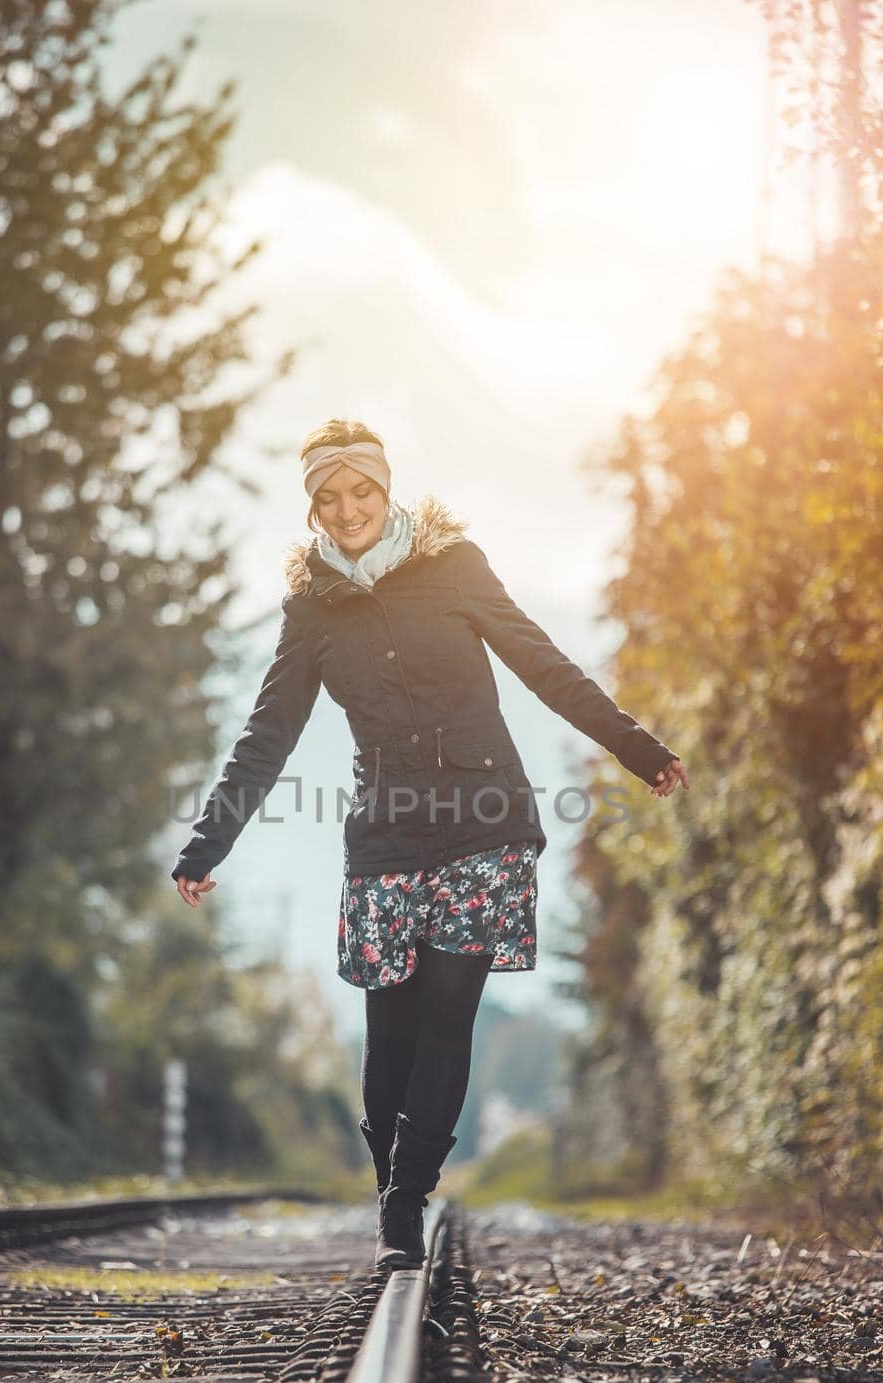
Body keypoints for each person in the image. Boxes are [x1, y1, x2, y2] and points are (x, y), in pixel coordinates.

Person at [173, 418, 690, 1270]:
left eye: (361, 492)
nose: (348, 511)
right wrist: (207, 843)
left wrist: (636, 748)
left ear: (387, 490)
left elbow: (543, 664)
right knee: (391, 1027)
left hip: (486, 821)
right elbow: (269, 734)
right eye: (328, 499)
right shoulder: (311, 611)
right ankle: (393, 1186)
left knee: (449, 1014)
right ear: (312, 510)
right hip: (385, 831)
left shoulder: (455, 568)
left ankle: (404, 1204)